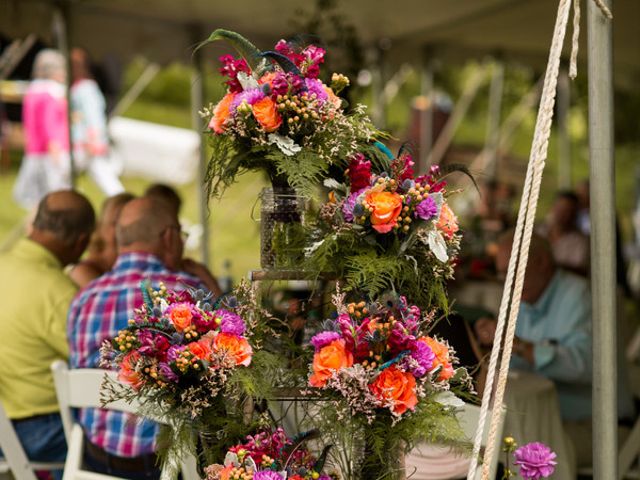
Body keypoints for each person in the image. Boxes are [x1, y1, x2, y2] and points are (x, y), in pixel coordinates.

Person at [67, 197, 212, 479]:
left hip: (98, 459)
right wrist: (208, 279)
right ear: (169, 237)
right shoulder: (189, 292)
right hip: (167, 464)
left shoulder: (84, 298)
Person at [475, 231, 635, 466]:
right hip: (543, 419)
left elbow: (589, 366)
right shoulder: (522, 301)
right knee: (480, 440)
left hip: (598, 426)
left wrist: (520, 347)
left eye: (513, 269)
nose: (506, 280)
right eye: (501, 273)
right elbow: (516, 367)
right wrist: (489, 348)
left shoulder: (580, 296)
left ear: (542, 262)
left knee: (521, 453)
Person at [0, 191, 95, 476]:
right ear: (81, 242)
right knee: (123, 440)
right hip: (36, 432)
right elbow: (96, 363)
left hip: (5, 423)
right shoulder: (58, 292)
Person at [13, 50, 71, 208]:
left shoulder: (32, 91)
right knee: (53, 190)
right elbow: (49, 122)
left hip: (35, 148)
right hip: (52, 149)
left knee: (34, 192)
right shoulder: (51, 93)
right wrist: (54, 143)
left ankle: (43, 217)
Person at [70, 47, 125, 196]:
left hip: (86, 142)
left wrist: (95, 141)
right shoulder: (79, 86)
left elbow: (94, 116)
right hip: (81, 141)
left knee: (105, 178)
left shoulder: (86, 88)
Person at [68, 192, 135, 288]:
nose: (124, 230)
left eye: (132, 225)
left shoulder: (126, 266)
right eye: (115, 223)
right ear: (100, 226)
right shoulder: (83, 271)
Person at [538, 190, 590, 276]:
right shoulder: (538, 232)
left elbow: (581, 272)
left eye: (567, 211)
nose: (561, 214)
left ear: (575, 214)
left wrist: (551, 266)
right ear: (552, 208)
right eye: (559, 208)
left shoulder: (581, 242)